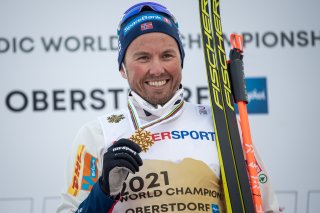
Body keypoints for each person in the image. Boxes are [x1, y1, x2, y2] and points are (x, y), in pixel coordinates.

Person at [57, 2, 279, 213]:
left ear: (181, 61)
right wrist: (104, 189)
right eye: (143, 58)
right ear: (123, 69)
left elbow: (266, 207)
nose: (157, 69)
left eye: (167, 55)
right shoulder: (98, 134)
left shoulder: (222, 124)